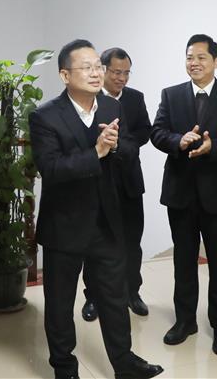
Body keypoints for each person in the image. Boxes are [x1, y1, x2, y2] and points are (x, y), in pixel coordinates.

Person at [29, 39, 163, 379]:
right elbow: (52, 169)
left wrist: (115, 148)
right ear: (65, 75)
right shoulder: (45, 116)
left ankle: (124, 362)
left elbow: (129, 149)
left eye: (97, 67)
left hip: (106, 222)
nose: (95, 73)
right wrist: (97, 153)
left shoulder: (111, 108)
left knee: (115, 298)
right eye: (86, 67)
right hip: (64, 225)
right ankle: (64, 367)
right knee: (60, 304)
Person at [150, 33, 217, 356]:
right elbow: (157, 132)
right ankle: (185, 321)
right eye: (189, 57)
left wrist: (213, 146)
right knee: (183, 259)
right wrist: (177, 140)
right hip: (180, 191)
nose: (194, 63)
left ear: (216, 61)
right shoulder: (171, 94)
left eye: (201, 57)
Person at [82, 47, 152, 322]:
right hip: (97, 181)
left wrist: (121, 142)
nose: (121, 78)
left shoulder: (135, 98)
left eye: (126, 73)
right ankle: (93, 297)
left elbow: (145, 131)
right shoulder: (88, 98)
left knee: (132, 242)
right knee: (96, 242)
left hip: (129, 180)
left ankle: (132, 292)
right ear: (102, 70)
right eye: (116, 72)